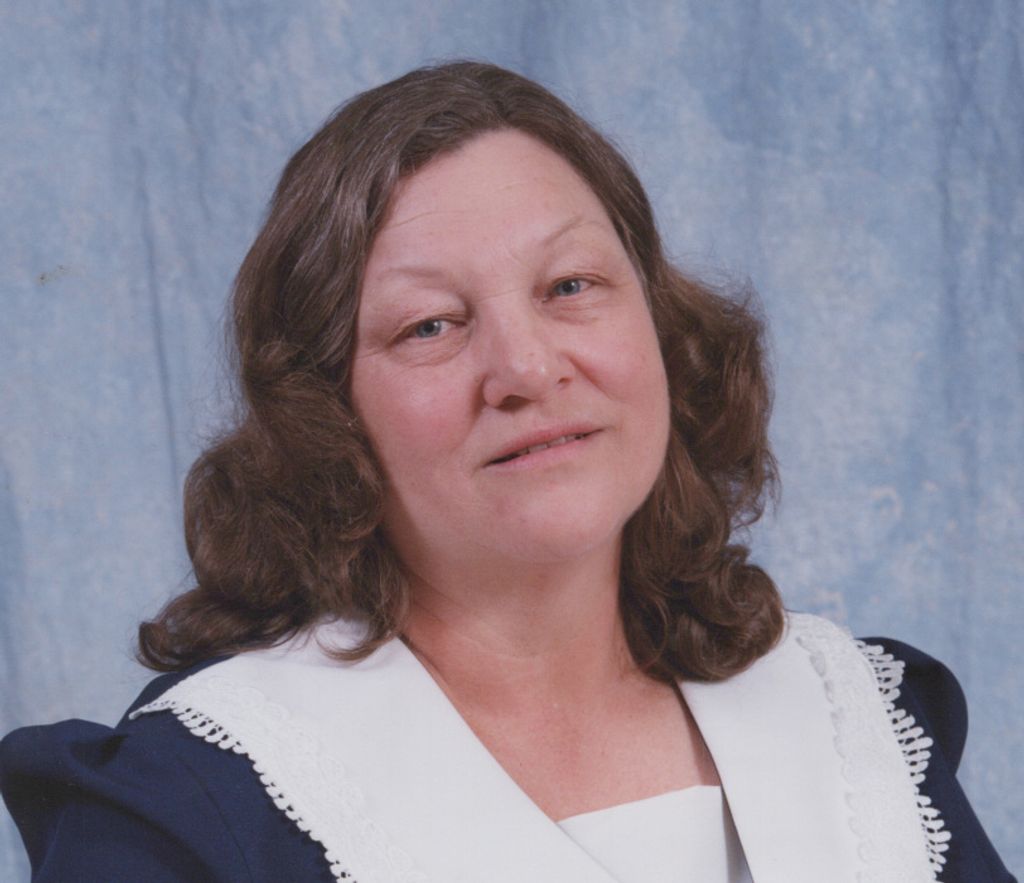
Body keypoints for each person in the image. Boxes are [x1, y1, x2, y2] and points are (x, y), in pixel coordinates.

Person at [0, 61, 1014, 883]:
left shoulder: (852, 728)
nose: (527, 369)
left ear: (660, 328)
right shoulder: (189, 809)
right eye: (430, 325)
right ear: (324, 414)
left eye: (570, 284)